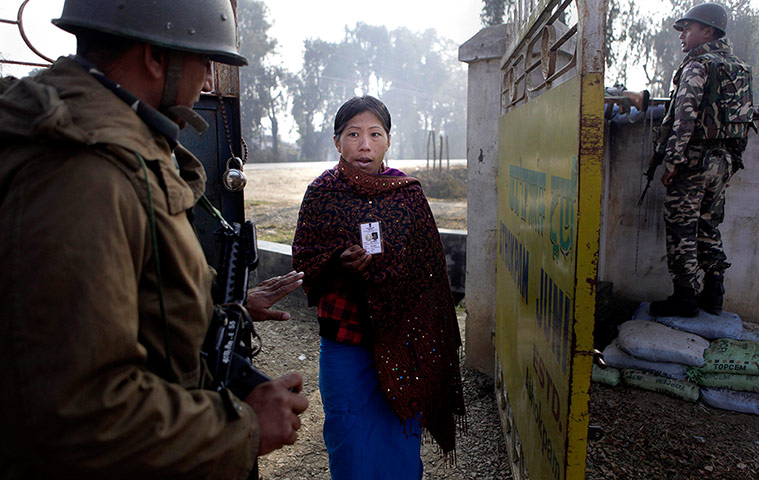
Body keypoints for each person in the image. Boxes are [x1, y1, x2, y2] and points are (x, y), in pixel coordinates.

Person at [0, 0, 308, 478]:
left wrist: (225, 310)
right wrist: (245, 428)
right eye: (205, 62)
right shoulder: (84, 172)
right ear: (155, 57)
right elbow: (79, 413)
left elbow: (133, 300)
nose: (207, 82)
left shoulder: (121, 145)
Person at [292, 96, 465, 479]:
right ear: (338, 142)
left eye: (374, 133)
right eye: (353, 134)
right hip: (344, 340)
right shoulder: (321, 194)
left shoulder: (408, 194)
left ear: (388, 141)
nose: (364, 144)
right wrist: (338, 261)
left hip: (402, 338)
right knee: (349, 432)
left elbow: (428, 271)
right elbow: (303, 261)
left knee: (398, 433)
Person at [649, 2, 754, 318]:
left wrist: (672, 162)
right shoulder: (737, 68)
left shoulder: (697, 66)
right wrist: (731, 162)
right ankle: (714, 292)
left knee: (681, 224)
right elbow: (743, 121)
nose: (682, 35)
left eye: (689, 28)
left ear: (708, 32)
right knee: (709, 224)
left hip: (693, 160)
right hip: (723, 161)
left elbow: (683, 118)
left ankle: (684, 296)